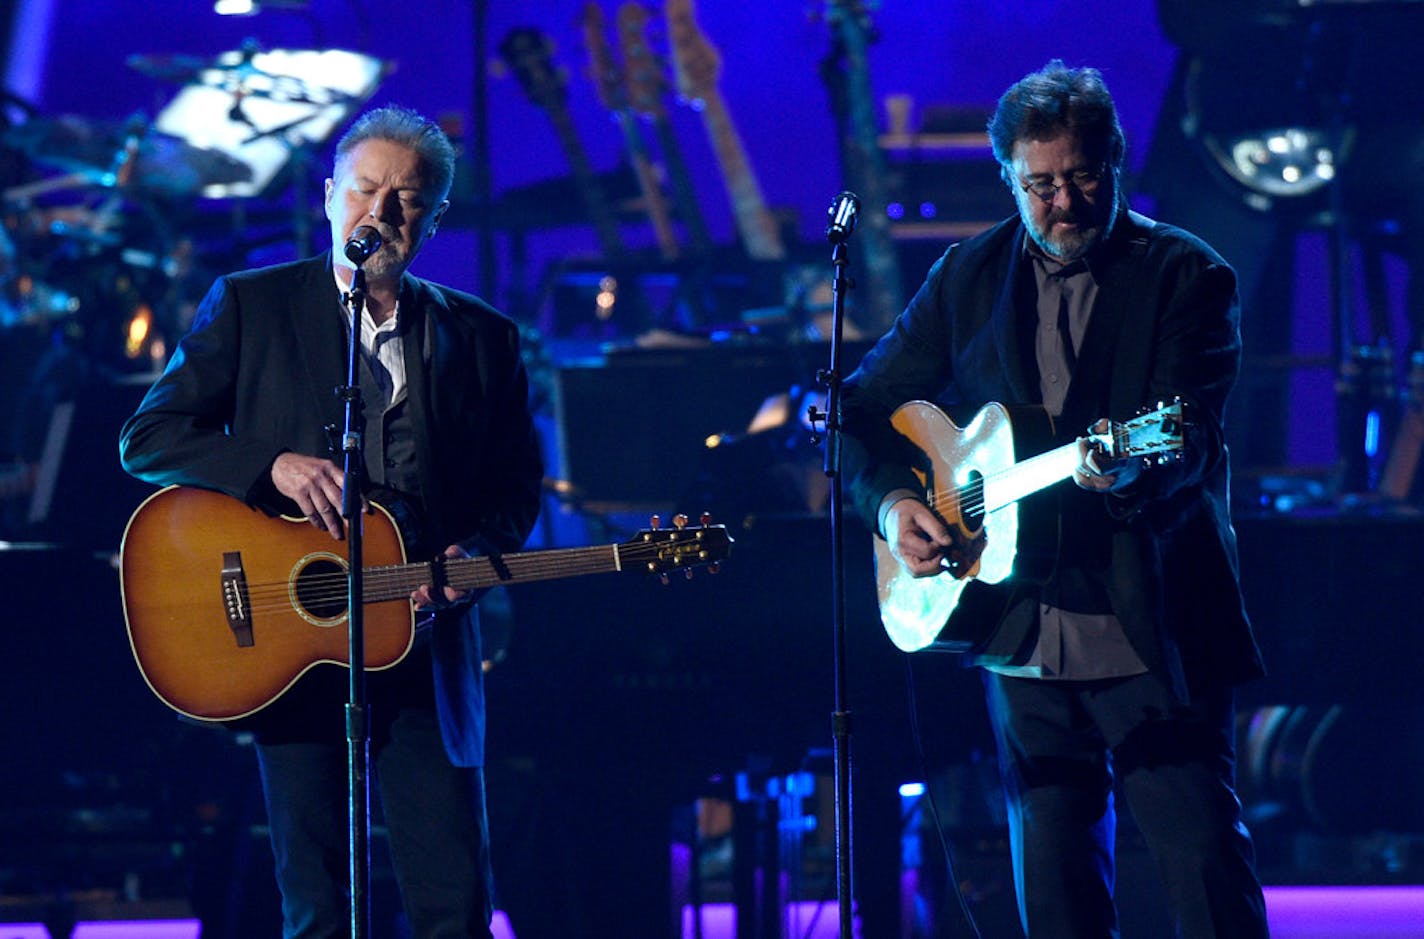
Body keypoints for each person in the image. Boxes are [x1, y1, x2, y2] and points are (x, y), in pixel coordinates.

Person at [840, 61, 1270, 937]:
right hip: (1019, 624)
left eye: (1080, 178)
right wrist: (891, 505)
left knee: (1200, 871)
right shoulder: (969, 274)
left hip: (1149, 623)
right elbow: (855, 408)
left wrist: (1132, 470)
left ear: (1115, 163)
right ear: (1008, 177)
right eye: (1038, 185)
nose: (1062, 202)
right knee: (1056, 892)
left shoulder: (1190, 276)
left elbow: (1189, 432)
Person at [119, 105, 544, 938]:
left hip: (426, 644)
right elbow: (149, 435)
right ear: (329, 197)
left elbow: (516, 486)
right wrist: (266, 465)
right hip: (294, 645)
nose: (380, 215)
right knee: (315, 906)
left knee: (453, 900)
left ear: (433, 218)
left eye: (406, 199)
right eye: (366, 190)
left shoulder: (484, 338)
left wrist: (477, 551)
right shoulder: (252, 305)